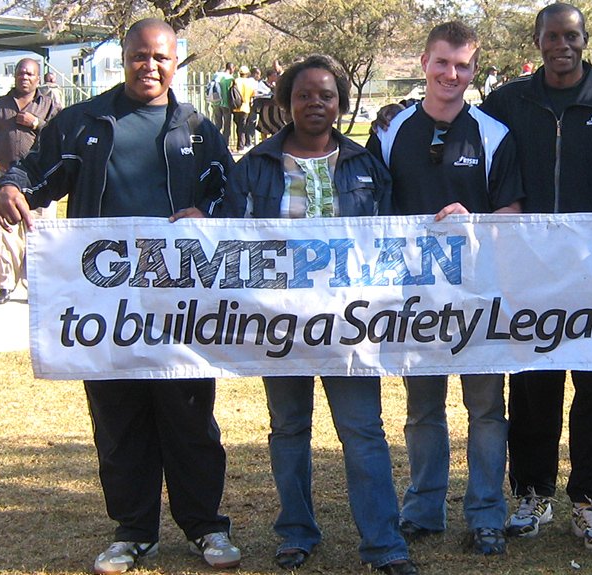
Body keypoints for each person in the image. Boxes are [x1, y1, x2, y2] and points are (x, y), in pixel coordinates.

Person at [0, 18, 243, 575]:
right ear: (123, 58)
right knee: (117, 418)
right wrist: (11, 184)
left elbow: (234, 198)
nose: (149, 66)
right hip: (104, 310)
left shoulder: (199, 129)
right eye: (139, 56)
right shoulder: (85, 124)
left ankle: (206, 527)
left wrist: (210, 214)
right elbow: (35, 172)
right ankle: (133, 533)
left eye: (161, 57)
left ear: (178, 61)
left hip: (182, 308)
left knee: (190, 418)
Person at [227, 54, 417, 575]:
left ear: (341, 103)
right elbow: (231, 244)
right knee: (289, 430)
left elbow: (390, 241)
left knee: (363, 430)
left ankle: (384, 544)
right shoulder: (255, 167)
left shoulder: (364, 165)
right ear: (287, 102)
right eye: (305, 94)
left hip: (350, 325)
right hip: (279, 324)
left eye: (326, 95)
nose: (316, 103)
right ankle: (295, 532)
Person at [479, 2, 592, 550]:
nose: (562, 45)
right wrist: (397, 111)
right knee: (532, 387)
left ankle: (591, 502)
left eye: (571, 36)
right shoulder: (505, 103)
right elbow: (461, 128)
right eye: (552, 36)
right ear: (538, 41)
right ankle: (531, 494)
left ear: (585, 39)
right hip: (528, 273)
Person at [366, 21, 523, 556]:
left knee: (486, 410)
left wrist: (473, 220)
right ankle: (423, 507)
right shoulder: (390, 129)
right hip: (414, 300)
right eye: (441, 63)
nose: (450, 74)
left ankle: (486, 513)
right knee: (422, 410)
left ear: (474, 70)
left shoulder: (493, 134)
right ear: (424, 62)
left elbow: (512, 214)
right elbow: (372, 207)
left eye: (462, 65)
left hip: (480, 296)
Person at [0, 58, 61, 305]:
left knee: (38, 234)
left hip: (40, 180)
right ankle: (6, 285)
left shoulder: (49, 105)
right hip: (5, 177)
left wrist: (37, 124)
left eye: (30, 74)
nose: (24, 77)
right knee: (5, 234)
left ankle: (36, 286)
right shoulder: (0, 106)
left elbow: (61, 136)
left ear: (38, 79)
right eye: (20, 73)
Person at [232, 64, 256, 151]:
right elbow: (253, 94)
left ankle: (240, 145)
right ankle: (242, 146)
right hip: (245, 107)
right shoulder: (250, 82)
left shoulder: (236, 81)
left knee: (238, 126)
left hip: (236, 107)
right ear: (247, 73)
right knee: (243, 126)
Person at [211, 62, 235, 147]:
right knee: (227, 126)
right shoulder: (230, 78)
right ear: (232, 68)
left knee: (218, 124)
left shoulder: (216, 75)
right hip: (226, 104)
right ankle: (225, 144)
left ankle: (215, 143)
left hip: (216, 103)